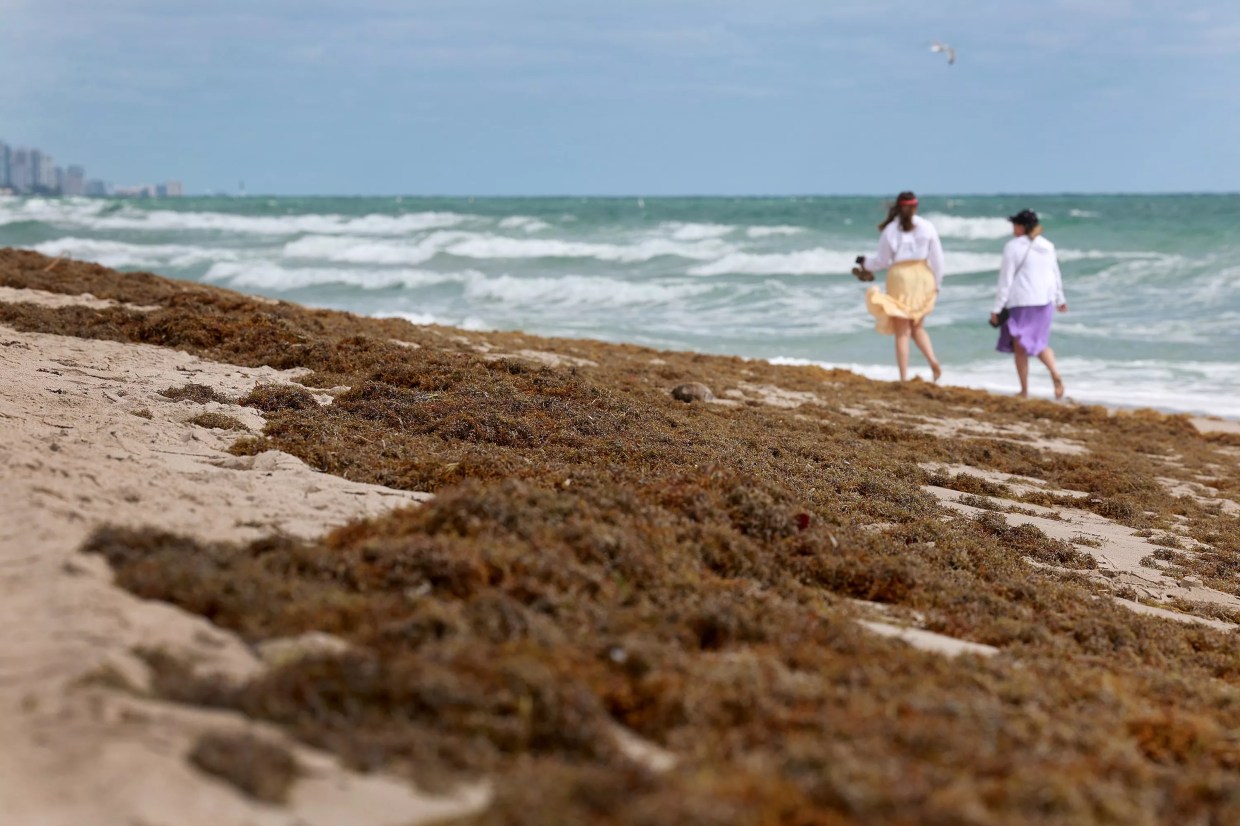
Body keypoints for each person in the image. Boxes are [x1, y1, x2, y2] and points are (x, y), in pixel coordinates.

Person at [852, 191, 944, 382]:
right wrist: (937, 283)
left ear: (897, 207)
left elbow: (881, 261)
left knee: (902, 332)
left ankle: (903, 377)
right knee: (918, 327)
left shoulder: (891, 229)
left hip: (900, 277)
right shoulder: (927, 226)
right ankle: (933, 361)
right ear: (916, 206)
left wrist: (864, 263)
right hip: (923, 275)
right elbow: (938, 259)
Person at [990, 209, 1068, 399]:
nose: (1012, 229)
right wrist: (1060, 299)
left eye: (1014, 225)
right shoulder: (1047, 245)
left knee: (1021, 346)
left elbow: (1005, 279)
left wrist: (997, 307)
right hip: (1045, 301)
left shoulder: (1012, 246)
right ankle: (1055, 373)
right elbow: (1055, 274)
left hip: (1022, 302)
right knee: (1039, 342)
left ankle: (1024, 390)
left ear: (1021, 226)